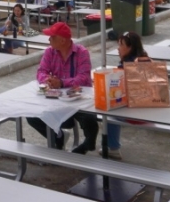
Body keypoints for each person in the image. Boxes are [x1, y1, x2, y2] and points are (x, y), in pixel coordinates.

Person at [29, 22, 99, 154]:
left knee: (89, 117)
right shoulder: (50, 52)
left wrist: (62, 83)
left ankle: (88, 143)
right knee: (31, 115)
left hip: (79, 99)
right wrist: (48, 80)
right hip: (56, 100)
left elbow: (84, 78)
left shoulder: (81, 53)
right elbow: (41, 71)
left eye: (52, 37)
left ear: (62, 40)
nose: (49, 40)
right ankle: (58, 137)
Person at [106, 31, 150, 159]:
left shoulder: (126, 67)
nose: (118, 49)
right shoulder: (146, 60)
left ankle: (113, 148)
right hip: (151, 106)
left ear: (130, 48)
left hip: (136, 113)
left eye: (121, 45)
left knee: (110, 112)